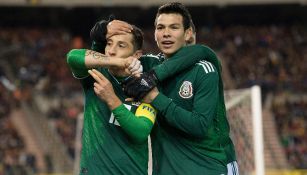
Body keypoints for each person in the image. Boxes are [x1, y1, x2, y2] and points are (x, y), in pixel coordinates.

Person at [123, 2, 238, 175]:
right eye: (160, 27)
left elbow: (199, 125)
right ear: (154, 34)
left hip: (207, 168)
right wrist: (105, 34)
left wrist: (155, 97)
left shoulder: (204, 70)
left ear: (188, 33)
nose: (166, 33)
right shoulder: (149, 64)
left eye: (174, 27)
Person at [67, 24, 157, 175]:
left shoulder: (145, 86)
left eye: (121, 45)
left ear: (136, 55)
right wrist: (119, 62)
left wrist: (112, 99)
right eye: (109, 43)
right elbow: (73, 57)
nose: (112, 50)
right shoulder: (95, 75)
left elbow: (141, 132)